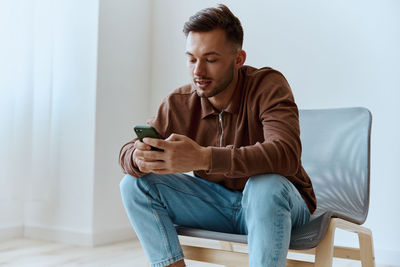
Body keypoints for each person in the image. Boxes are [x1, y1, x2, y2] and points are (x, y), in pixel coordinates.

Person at [119, 4, 316, 267]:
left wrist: (204, 157)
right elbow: (127, 150)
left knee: (264, 185)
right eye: (191, 59)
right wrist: (138, 157)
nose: (198, 71)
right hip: (219, 205)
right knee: (133, 185)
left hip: (279, 204)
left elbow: (286, 154)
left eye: (210, 59)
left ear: (238, 59)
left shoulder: (268, 86)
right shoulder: (180, 102)